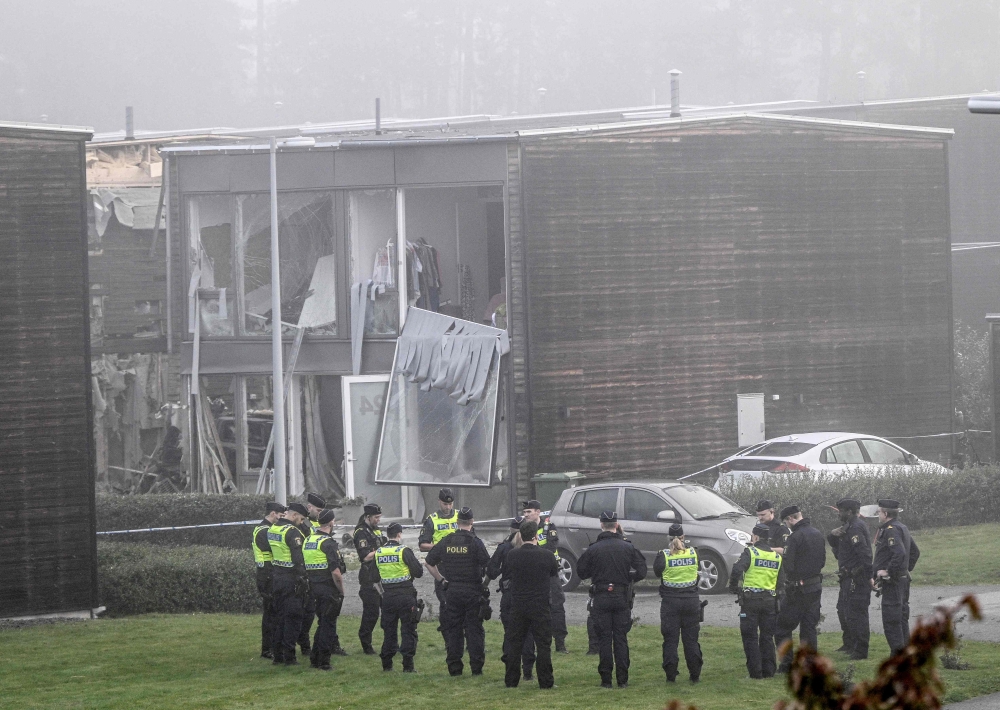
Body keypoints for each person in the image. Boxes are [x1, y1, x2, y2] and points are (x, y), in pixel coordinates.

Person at [577, 511, 648, 689]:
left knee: (604, 639)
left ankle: (606, 680)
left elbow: (581, 572)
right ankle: (622, 679)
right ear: (616, 525)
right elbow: (642, 570)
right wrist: (628, 577)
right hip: (621, 596)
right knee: (620, 638)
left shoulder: (593, 548)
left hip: (601, 596)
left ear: (601, 525)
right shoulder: (628, 547)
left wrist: (597, 572)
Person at [425, 507, 491, 676]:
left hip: (452, 591)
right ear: (472, 522)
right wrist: (484, 584)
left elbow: (429, 562)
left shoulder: (447, 541)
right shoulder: (475, 542)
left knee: (454, 630)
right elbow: (488, 566)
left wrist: (441, 580)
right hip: (472, 591)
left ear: (457, 522)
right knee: (474, 630)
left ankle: (455, 668)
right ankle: (476, 669)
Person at [501, 519, 559, 689]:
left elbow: (507, 573)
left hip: (518, 605)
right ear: (536, 536)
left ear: (520, 535)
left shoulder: (512, 555)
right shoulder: (546, 555)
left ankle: (511, 681)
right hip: (540, 605)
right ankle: (546, 681)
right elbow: (553, 572)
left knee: (515, 644)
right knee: (543, 645)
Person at [774, 505, 826, 672]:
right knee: (808, 627)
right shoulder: (817, 534)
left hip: (798, 589)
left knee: (782, 627)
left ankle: (786, 664)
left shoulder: (794, 537)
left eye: (786, 521)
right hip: (815, 586)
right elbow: (823, 561)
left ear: (790, 519)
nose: (787, 525)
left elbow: (789, 565)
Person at [486, 516, 538, 681]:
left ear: (511, 529)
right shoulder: (535, 549)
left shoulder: (504, 548)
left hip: (509, 596)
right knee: (528, 634)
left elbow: (492, 571)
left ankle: (510, 671)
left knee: (510, 635)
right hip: (529, 596)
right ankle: (528, 672)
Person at [729, 522, 782, 679]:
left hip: (751, 601)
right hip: (770, 601)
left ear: (756, 537)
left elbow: (737, 569)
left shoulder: (750, 552)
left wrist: (733, 588)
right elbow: (780, 582)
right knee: (767, 637)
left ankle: (755, 673)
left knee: (750, 636)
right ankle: (769, 671)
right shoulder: (776, 557)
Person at [655, 523, 704, 684]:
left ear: (668, 538)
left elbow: (657, 572)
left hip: (670, 602)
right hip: (691, 601)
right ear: (683, 537)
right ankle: (695, 675)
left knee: (670, 640)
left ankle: (670, 676)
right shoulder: (693, 552)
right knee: (691, 640)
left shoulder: (663, 555)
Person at [872, 498, 920, 656]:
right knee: (901, 618)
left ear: (885, 513)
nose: (878, 514)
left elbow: (899, 553)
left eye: (879, 512)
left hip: (893, 583)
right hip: (902, 581)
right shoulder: (902, 527)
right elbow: (915, 552)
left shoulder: (891, 529)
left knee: (892, 620)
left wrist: (889, 572)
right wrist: (905, 570)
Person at [375, 522, 424, 673]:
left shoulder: (379, 552)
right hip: (405, 595)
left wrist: (383, 593)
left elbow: (374, 578)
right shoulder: (403, 551)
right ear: (399, 534)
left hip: (388, 597)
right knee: (408, 630)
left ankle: (387, 664)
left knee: (389, 631)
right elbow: (418, 572)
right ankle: (408, 666)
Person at [827, 497, 872, 660]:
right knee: (844, 610)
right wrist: (832, 534)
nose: (839, 514)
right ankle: (849, 643)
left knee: (857, 614)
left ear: (850, 512)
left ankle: (860, 650)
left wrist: (867, 576)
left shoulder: (856, 527)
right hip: (847, 577)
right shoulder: (849, 526)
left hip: (856, 578)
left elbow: (865, 555)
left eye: (841, 511)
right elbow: (836, 544)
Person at [522, 499, 569, 653]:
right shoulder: (523, 528)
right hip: (532, 574)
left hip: (550, 573)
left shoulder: (549, 527)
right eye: (525, 512)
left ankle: (560, 643)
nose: (526, 515)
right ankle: (535, 643)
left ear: (538, 512)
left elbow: (551, 546)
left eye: (529, 512)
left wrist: (533, 551)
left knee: (556, 607)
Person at [266, 502, 309, 665]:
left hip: (277, 577)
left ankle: (278, 655)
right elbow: (298, 559)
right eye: (301, 518)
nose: (302, 521)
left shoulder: (273, 528)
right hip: (291, 580)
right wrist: (303, 578)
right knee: (293, 619)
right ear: (294, 515)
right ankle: (289, 657)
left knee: (280, 618)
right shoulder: (292, 532)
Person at [303, 509, 346, 670]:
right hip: (328, 588)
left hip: (312, 587)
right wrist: (341, 590)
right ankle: (324, 661)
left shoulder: (308, 540)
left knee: (322, 623)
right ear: (330, 522)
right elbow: (336, 572)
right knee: (328, 625)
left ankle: (315, 658)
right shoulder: (328, 543)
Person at [418, 488, 459, 626]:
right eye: (445, 504)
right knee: (445, 603)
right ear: (439, 502)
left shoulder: (460, 516)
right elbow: (422, 545)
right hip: (442, 566)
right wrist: (439, 547)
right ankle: (448, 638)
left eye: (450, 504)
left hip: (460, 564)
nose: (448, 507)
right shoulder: (431, 520)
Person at [252, 501, 285, 659]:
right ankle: (267, 649)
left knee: (274, 612)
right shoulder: (264, 531)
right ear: (273, 514)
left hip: (269, 573)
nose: (281, 518)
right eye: (280, 515)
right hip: (267, 574)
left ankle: (273, 646)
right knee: (270, 614)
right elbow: (274, 549)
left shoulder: (266, 529)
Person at [353, 503, 386, 655]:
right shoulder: (361, 532)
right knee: (371, 613)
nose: (378, 520)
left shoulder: (375, 529)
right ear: (367, 517)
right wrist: (382, 550)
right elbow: (365, 556)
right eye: (376, 517)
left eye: (379, 517)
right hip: (368, 576)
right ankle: (366, 643)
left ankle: (389, 643)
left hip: (381, 574)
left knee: (387, 610)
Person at [297, 492, 327, 656]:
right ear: (309, 508)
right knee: (306, 612)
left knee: (317, 612)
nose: (320, 513)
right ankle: (304, 643)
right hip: (306, 572)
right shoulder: (303, 524)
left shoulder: (316, 522)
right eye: (318, 510)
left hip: (316, 572)